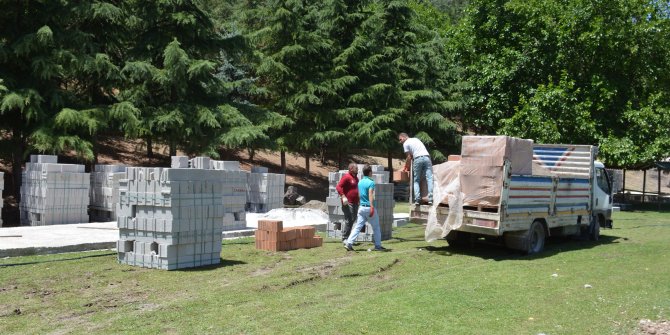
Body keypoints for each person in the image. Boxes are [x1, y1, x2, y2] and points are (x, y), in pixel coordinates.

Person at [344, 164, 386, 251]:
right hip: (368, 207)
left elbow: (359, 195)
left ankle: (349, 243)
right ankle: (378, 246)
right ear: (370, 172)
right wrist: (371, 207)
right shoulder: (371, 182)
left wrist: (361, 204)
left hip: (361, 207)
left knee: (357, 227)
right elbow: (370, 194)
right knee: (376, 227)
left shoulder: (360, 182)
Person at [398, 132, 433, 205]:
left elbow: (409, 157)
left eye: (400, 139)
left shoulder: (405, 143)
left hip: (418, 158)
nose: (400, 141)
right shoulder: (416, 139)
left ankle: (417, 200)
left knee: (416, 180)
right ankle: (430, 199)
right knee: (429, 178)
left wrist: (406, 167)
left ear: (404, 137)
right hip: (427, 157)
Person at [336, 163, 359, 242]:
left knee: (353, 219)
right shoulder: (346, 177)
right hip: (348, 202)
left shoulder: (356, 178)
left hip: (355, 202)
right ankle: (345, 238)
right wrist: (342, 196)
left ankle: (348, 237)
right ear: (351, 169)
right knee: (349, 219)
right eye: (356, 168)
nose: (357, 169)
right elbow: (338, 186)